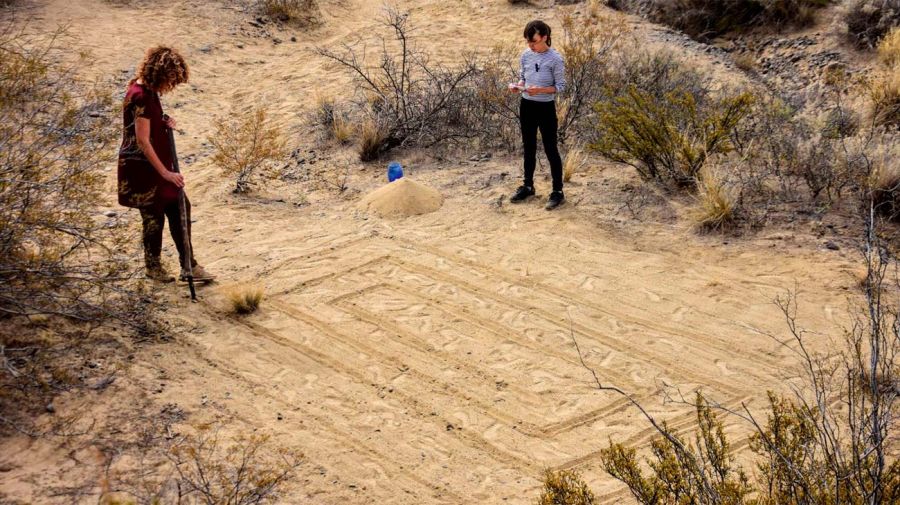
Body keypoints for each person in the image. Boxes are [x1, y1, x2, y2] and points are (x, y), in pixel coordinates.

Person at [117, 46, 214, 283]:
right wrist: (166, 173)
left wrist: (163, 121)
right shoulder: (140, 95)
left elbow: (148, 122)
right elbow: (142, 140)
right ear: (159, 73)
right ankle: (154, 268)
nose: (170, 86)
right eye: (170, 80)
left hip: (157, 164)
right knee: (154, 217)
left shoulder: (148, 91)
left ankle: (189, 266)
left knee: (180, 207)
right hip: (144, 168)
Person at [509, 20, 567, 210]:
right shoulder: (526, 55)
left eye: (533, 41)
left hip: (545, 108)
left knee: (550, 148)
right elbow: (523, 77)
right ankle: (528, 186)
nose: (530, 45)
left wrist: (540, 90)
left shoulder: (555, 59)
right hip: (526, 105)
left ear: (544, 37)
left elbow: (560, 86)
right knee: (529, 147)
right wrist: (518, 86)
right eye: (528, 41)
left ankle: (557, 191)